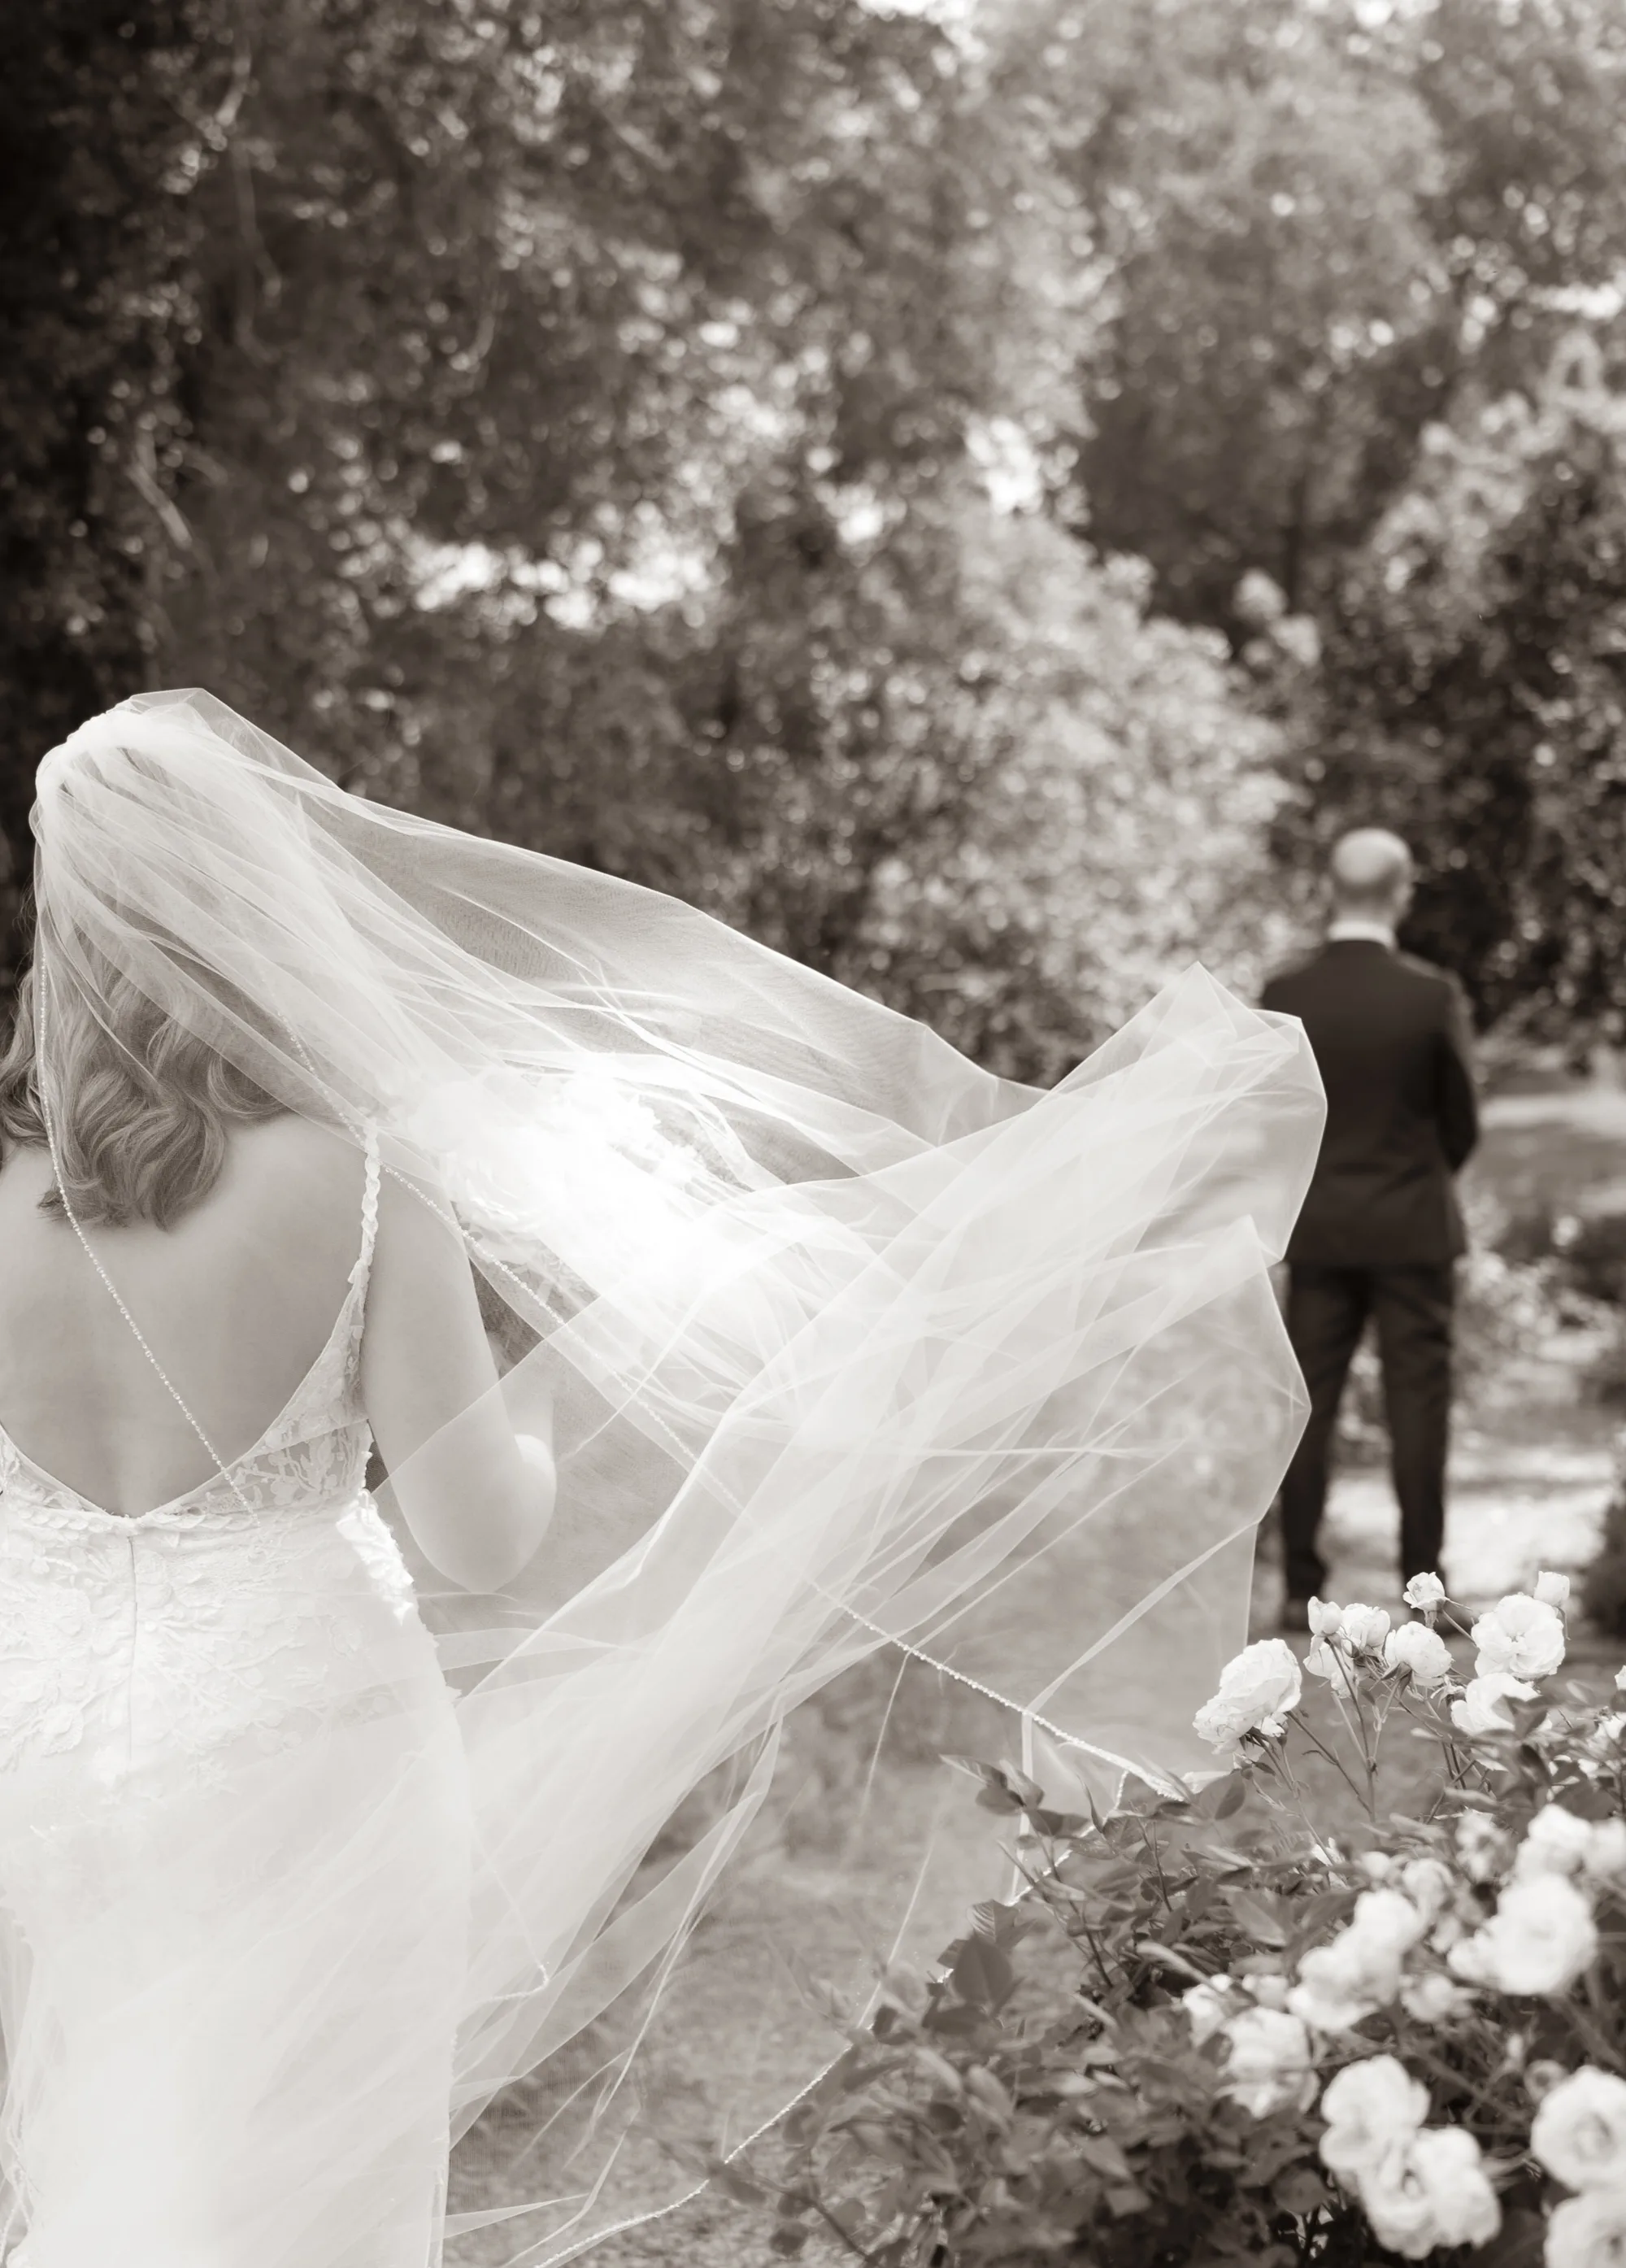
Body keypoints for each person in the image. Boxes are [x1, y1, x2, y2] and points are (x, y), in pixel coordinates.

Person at [0, 691, 1324, 2268]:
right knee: (305, 2180)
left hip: (51, 1742)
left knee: (109, 2123)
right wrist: (553, 1388)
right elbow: (481, 1539)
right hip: (305, 1739)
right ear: (247, 910)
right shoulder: (355, 1172)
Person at [1262, 829, 1479, 1629]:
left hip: (1318, 1232)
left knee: (1306, 1406)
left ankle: (1296, 1586)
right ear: (1401, 891)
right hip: (1412, 1229)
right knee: (1417, 1405)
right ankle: (1423, 1585)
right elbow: (1460, 1120)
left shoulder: (1285, 991)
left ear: (1329, 888)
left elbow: (1272, 1120)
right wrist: (1417, 1180)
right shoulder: (1430, 995)